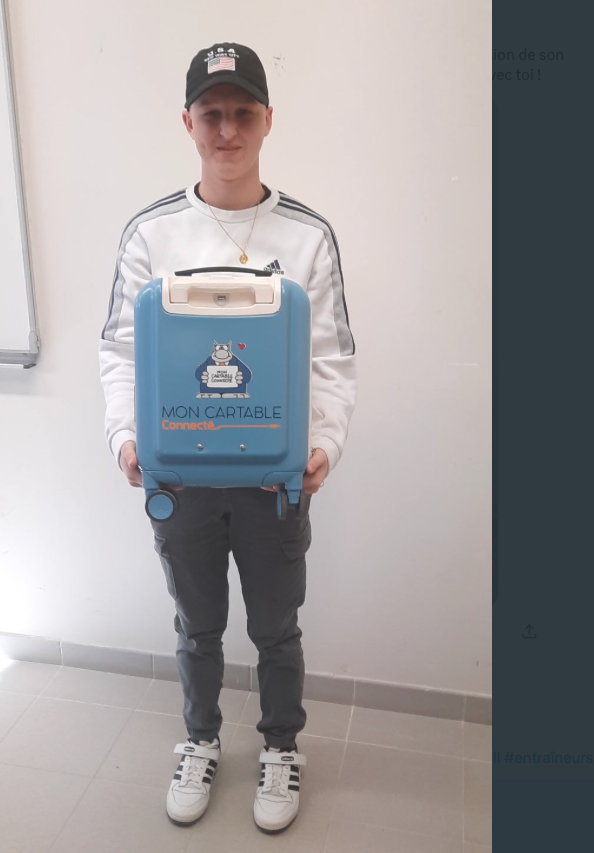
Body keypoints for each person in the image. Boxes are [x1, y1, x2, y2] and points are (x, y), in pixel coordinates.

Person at [97, 42, 358, 833]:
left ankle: (280, 746)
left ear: (268, 119)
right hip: (179, 478)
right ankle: (201, 738)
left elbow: (333, 359)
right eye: (211, 114)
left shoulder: (308, 235)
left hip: (274, 480)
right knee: (197, 624)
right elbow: (119, 351)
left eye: (243, 112)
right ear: (188, 122)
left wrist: (324, 445)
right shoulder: (151, 233)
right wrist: (125, 437)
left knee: (276, 626)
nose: (228, 130)